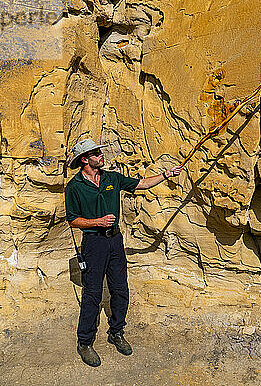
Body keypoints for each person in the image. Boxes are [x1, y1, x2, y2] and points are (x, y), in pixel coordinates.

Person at [64, 138, 183, 367]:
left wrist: (166, 174)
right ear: (84, 159)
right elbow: (72, 220)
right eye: (95, 153)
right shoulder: (74, 187)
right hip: (93, 244)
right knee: (93, 294)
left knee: (120, 289)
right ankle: (85, 342)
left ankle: (116, 332)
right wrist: (97, 222)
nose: (101, 155)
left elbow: (142, 184)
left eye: (99, 151)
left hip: (115, 241)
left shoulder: (111, 178)